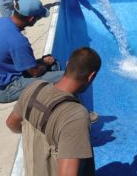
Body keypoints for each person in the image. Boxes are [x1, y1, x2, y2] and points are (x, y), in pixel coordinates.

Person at [6, 47, 101, 176]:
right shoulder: (76, 116)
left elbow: (11, 123)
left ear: (67, 64)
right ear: (91, 76)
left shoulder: (34, 88)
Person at [0, 0, 61, 103]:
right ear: (32, 19)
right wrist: (45, 62)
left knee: (53, 65)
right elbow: (35, 72)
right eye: (38, 17)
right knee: (66, 78)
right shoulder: (19, 42)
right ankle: (76, 114)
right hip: (3, 90)